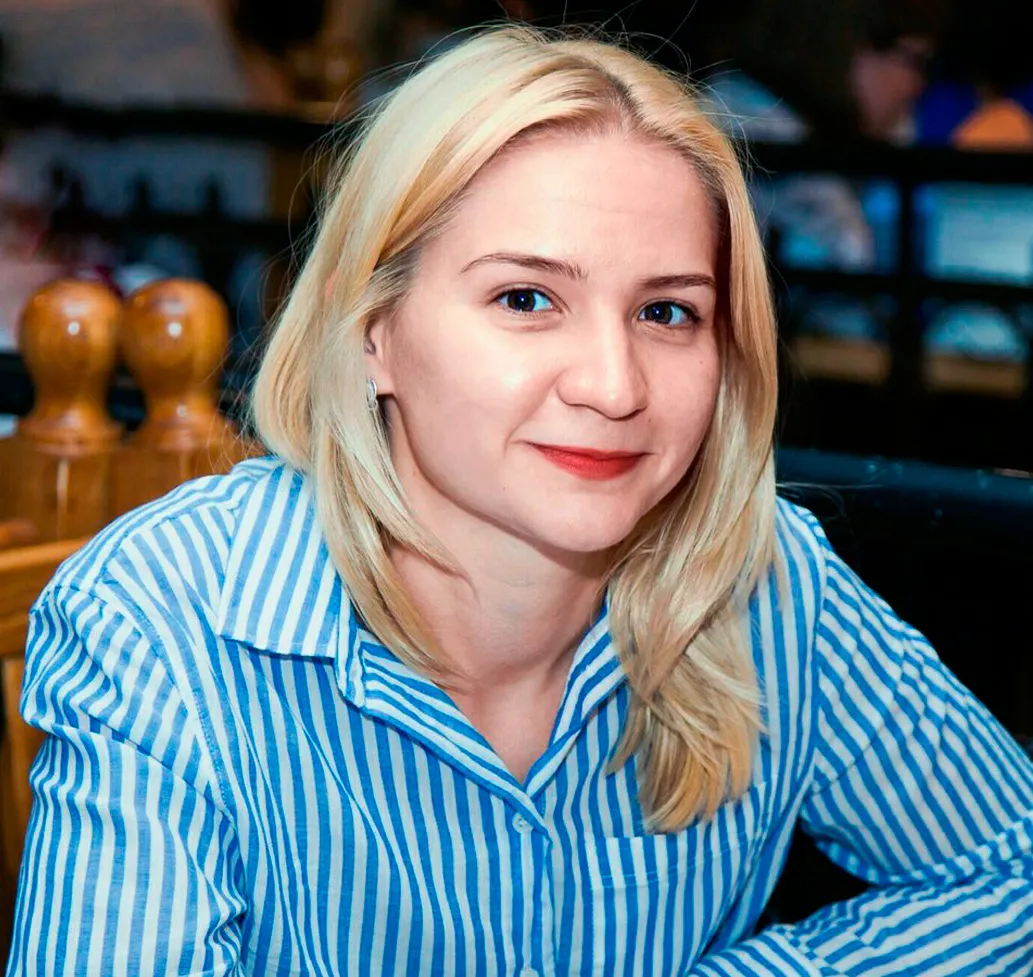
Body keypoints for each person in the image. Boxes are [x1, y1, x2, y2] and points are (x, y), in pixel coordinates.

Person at [7, 26, 1033, 976]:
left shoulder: (760, 580)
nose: (613, 386)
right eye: (526, 298)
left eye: (667, 312)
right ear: (371, 330)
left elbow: (1009, 870)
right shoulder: (167, 617)